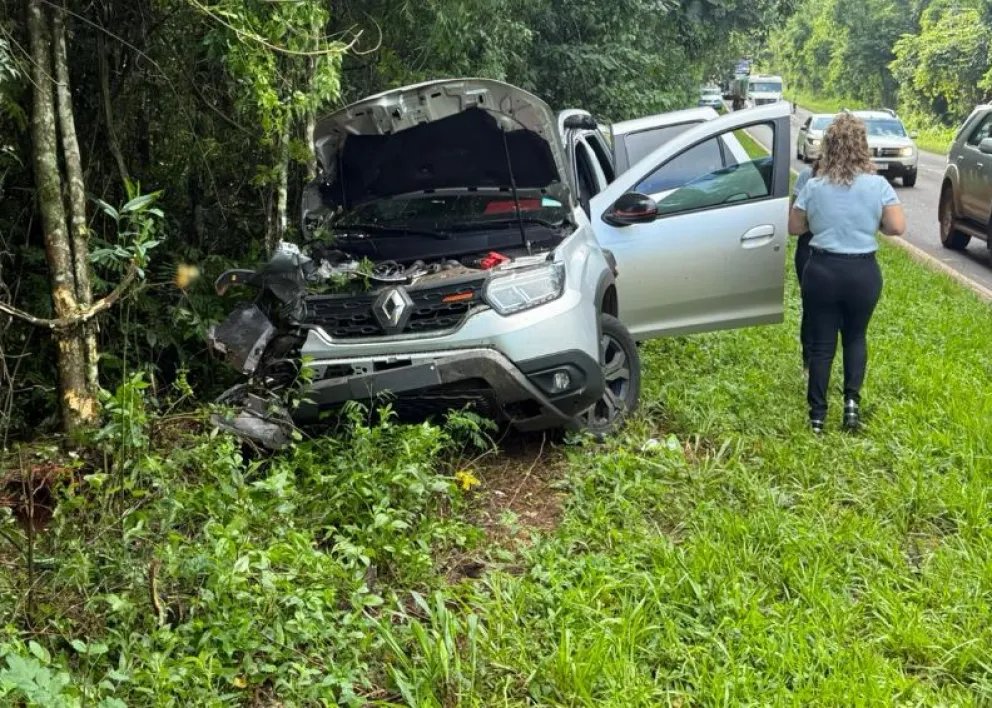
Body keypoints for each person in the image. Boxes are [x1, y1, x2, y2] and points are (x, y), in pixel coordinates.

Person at [788, 113, 906, 434]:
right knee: (855, 337)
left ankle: (817, 416)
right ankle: (851, 405)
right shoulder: (878, 186)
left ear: (829, 147)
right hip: (862, 272)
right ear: (862, 147)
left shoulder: (814, 186)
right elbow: (896, 227)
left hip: (822, 270)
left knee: (823, 344)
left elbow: (794, 227)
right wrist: (871, 222)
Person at [791, 159, 819, 375]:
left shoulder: (856, 180)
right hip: (808, 246)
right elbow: (794, 223)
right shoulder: (807, 177)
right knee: (811, 307)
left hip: (837, 250)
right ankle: (808, 363)